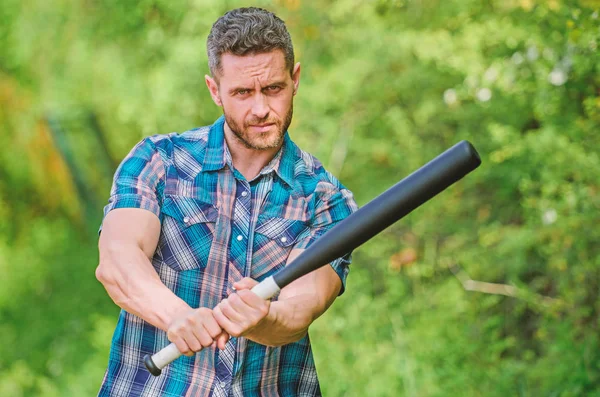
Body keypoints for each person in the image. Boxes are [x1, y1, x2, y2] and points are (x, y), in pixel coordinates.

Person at [95, 7, 357, 397]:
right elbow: (118, 259)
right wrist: (177, 317)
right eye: (241, 92)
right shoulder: (159, 161)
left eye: (273, 88)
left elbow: (302, 307)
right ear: (214, 89)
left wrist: (264, 318)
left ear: (295, 79)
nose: (261, 109)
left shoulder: (325, 199)